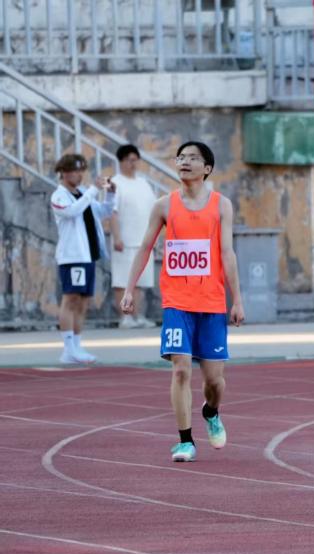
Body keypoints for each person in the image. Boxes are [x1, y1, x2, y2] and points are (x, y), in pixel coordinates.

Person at [120, 141, 244, 462]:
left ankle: (211, 411)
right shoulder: (164, 205)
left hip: (212, 303)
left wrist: (237, 300)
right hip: (176, 302)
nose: (185, 162)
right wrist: (129, 289)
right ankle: (185, 440)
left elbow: (227, 253)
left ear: (207, 168)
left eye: (193, 158)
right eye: (181, 157)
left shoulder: (221, 205)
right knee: (181, 371)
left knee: (215, 382)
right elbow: (145, 248)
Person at [51, 153, 115, 364]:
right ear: (63, 172)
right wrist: (93, 190)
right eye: (74, 170)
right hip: (72, 257)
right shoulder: (59, 196)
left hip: (88, 255)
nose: (78, 175)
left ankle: (76, 347)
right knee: (70, 299)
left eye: (80, 171)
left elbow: (103, 211)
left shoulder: (83, 193)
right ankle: (68, 349)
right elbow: (72, 212)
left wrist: (110, 194)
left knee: (83, 302)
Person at [109, 144, 157, 329]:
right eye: (130, 160)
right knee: (123, 280)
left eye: (136, 160)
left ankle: (139, 316)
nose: (133, 164)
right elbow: (112, 212)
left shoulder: (143, 183)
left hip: (144, 240)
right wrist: (117, 237)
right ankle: (125, 317)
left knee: (141, 281)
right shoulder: (114, 183)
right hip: (125, 241)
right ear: (121, 161)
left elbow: (154, 210)